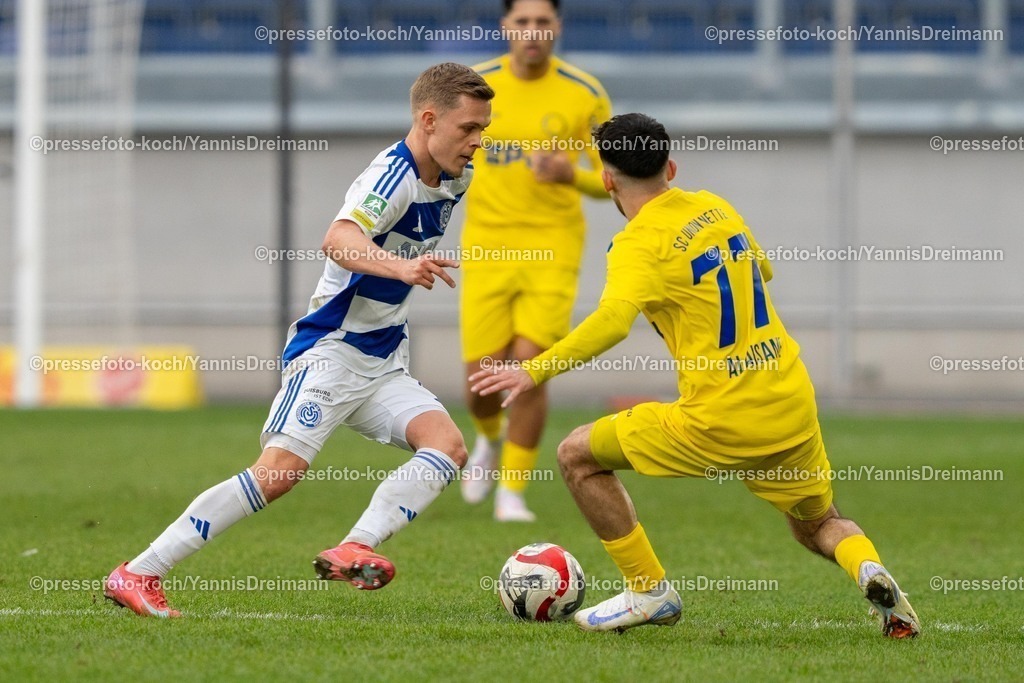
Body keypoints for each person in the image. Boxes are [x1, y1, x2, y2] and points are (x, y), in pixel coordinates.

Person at [471, 113, 921, 637]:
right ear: (671, 168)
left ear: (607, 180)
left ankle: (648, 590)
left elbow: (613, 322)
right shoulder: (714, 206)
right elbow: (762, 271)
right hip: (789, 401)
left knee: (577, 456)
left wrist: (534, 370)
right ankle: (872, 574)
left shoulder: (637, 244)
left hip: (720, 416)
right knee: (819, 523)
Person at [103, 62, 494, 617]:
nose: (478, 141)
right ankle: (139, 572)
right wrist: (400, 267)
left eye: (483, 129)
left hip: (383, 358)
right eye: (469, 128)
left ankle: (355, 547)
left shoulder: (456, 176)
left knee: (447, 448)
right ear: (429, 120)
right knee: (277, 474)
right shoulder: (390, 177)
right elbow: (338, 238)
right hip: (331, 351)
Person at [459, 0, 612, 521]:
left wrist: (571, 175)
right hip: (487, 246)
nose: (532, 31)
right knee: (482, 381)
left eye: (542, 22)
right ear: (505, 26)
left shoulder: (584, 92)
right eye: (522, 21)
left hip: (553, 247)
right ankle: (487, 438)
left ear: (557, 27)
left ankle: (512, 493)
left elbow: (611, 178)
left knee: (529, 368)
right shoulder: (474, 85)